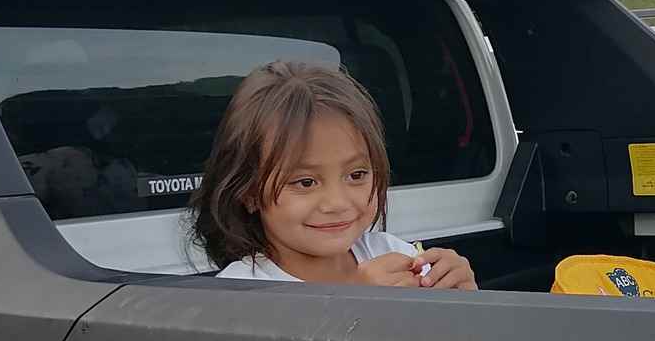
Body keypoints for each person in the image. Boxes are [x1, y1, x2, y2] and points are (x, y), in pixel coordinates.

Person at [192, 60, 476, 289]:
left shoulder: (393, 253)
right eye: (305, 182)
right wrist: (352, 306)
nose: (337, 203)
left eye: (357, 175)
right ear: (250, 193)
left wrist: (462, 300)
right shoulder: (239, 293)